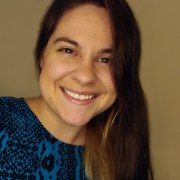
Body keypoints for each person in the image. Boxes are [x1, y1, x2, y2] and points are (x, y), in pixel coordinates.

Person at [0, 0, 153, 179]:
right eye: (68, 50)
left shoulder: (123, 153)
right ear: (42, 55)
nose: (85, 76)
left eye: (106, 60)